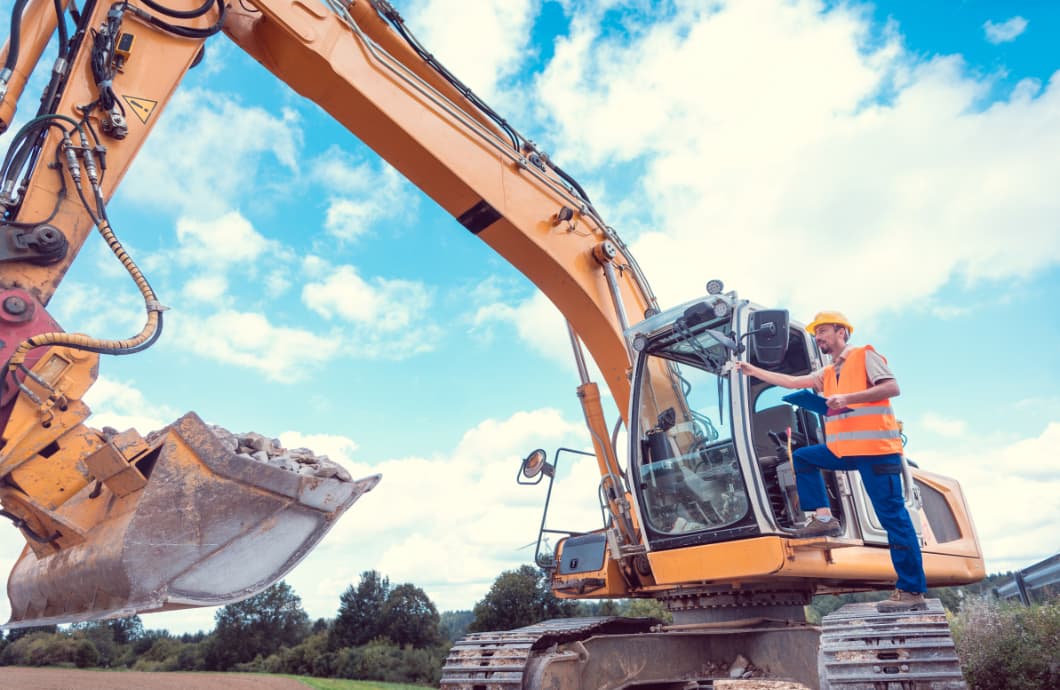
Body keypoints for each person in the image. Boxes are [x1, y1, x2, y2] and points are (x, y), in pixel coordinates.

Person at [734, 310, 927, 613]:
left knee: (893, 519)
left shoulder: (865, 355)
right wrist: (752, 371)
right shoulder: (827, 373)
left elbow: (892, 387)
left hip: (876, 451)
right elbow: (792, 382)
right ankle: (824, 518)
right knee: (803, 458)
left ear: (842, 332)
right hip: (847, 451)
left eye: (822, 330)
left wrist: (847, 400)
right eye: (816, 333)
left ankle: (912, 590)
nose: (818, 337)